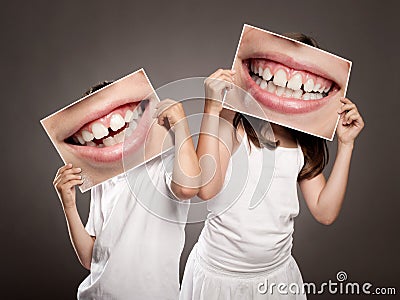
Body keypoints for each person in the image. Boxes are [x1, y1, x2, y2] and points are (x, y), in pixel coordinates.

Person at [180, 35, 365, 299]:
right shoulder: (233, 123)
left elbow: (325, 211)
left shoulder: (302, 144)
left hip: (275, 279)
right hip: (220, 276)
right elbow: (206, 188)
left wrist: (346, 145)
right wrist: (212, 107)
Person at [53, 82, 200, 299]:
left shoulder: (165, 162)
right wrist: (69, 204)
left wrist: (181, 127)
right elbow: (90, 258)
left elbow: (187, 187)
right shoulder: (102, 179)